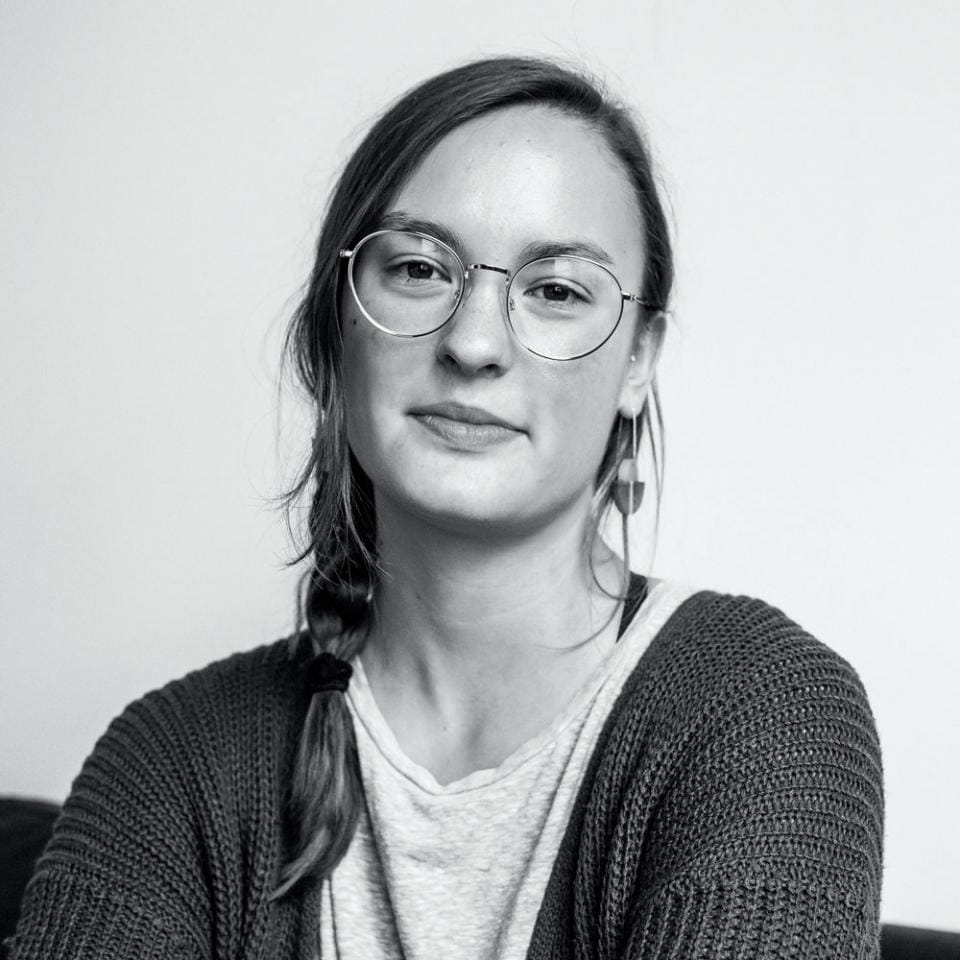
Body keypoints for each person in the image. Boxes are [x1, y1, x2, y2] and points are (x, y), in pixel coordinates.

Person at [7, 56, 883, 959]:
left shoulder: (760, 715)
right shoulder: (169, 762)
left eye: (555, 291)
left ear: (639, 360)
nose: (473, 343)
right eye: (421, 269)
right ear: (335, 324)